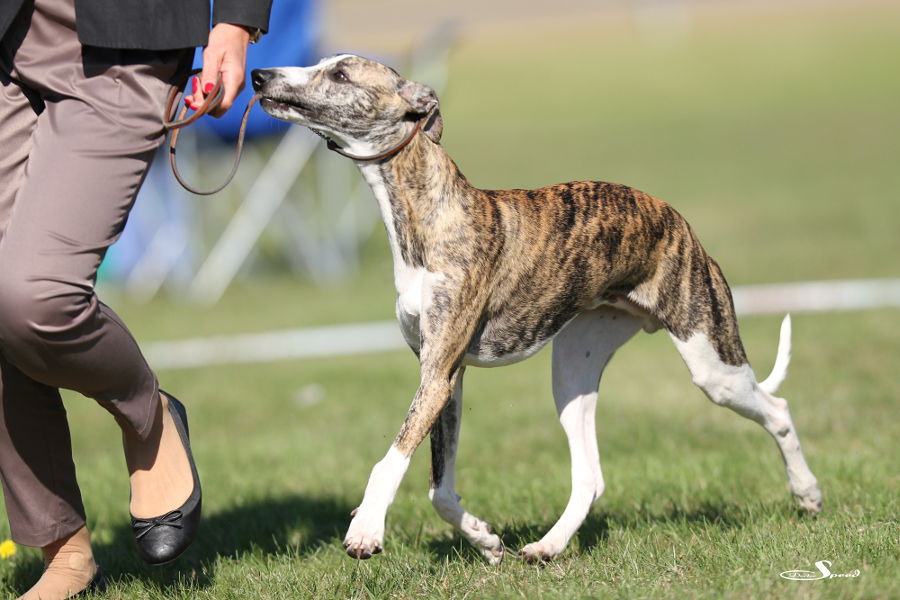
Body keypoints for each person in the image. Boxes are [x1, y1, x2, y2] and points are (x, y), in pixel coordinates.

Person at [0, 0, 272, 598]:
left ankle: (146, 414)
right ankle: (64, 554)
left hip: (125, 37)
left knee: (34, 295)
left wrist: (236, 16)